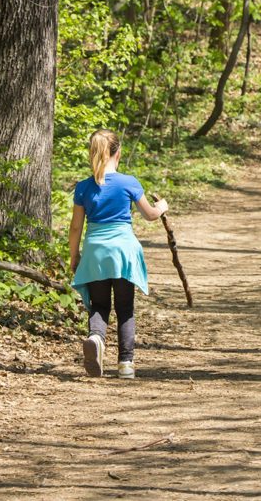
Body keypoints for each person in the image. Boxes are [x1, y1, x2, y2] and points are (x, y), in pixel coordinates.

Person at [69, 129, 168, 379]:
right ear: (118, 152)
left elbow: (75, 227)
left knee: (99, 305)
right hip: (124, 251)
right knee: (125, 307)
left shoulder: (83, 187)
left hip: (95, 252)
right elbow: (150, 214)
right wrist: (162, 206)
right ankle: (125, 364)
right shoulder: (129, 182)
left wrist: (75, 256)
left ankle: (96, 339)